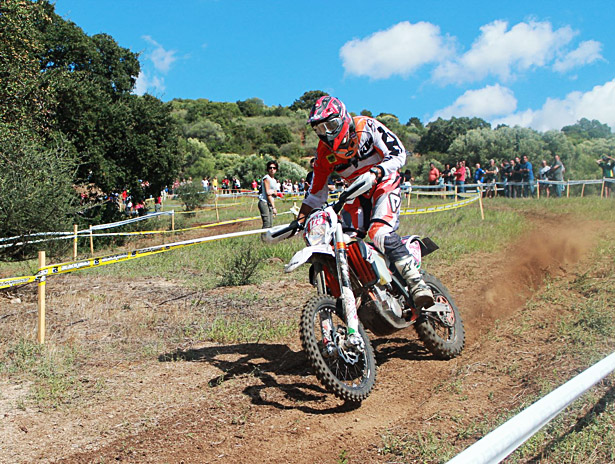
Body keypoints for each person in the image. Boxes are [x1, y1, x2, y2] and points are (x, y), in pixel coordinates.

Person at [296, 96, 434, 343]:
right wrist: (300, 219)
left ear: (343, 118)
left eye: (329, 125)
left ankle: (416, 283)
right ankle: (366, 291)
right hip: (355, 195)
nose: (325, 134)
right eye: (318, 129)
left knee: (379, 232)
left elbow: (398, 153)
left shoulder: (365, 127)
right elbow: (316, 193)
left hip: (384, 184)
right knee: (343, 241)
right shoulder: (323, 152)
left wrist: (378, 171)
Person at [258, 160, 280, 230]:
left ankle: (269, 239)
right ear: (268, 169)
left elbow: (276, 193)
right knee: (266, 223)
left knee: (270, 224)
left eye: (274, 168)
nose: (272, 169)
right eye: (270, 168)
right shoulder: (266, 178)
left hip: (270, 203)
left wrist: (272, 192)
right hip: (264, 202)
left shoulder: (274, 180)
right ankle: (264, 239)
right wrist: (274, 207)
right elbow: (268, 193)